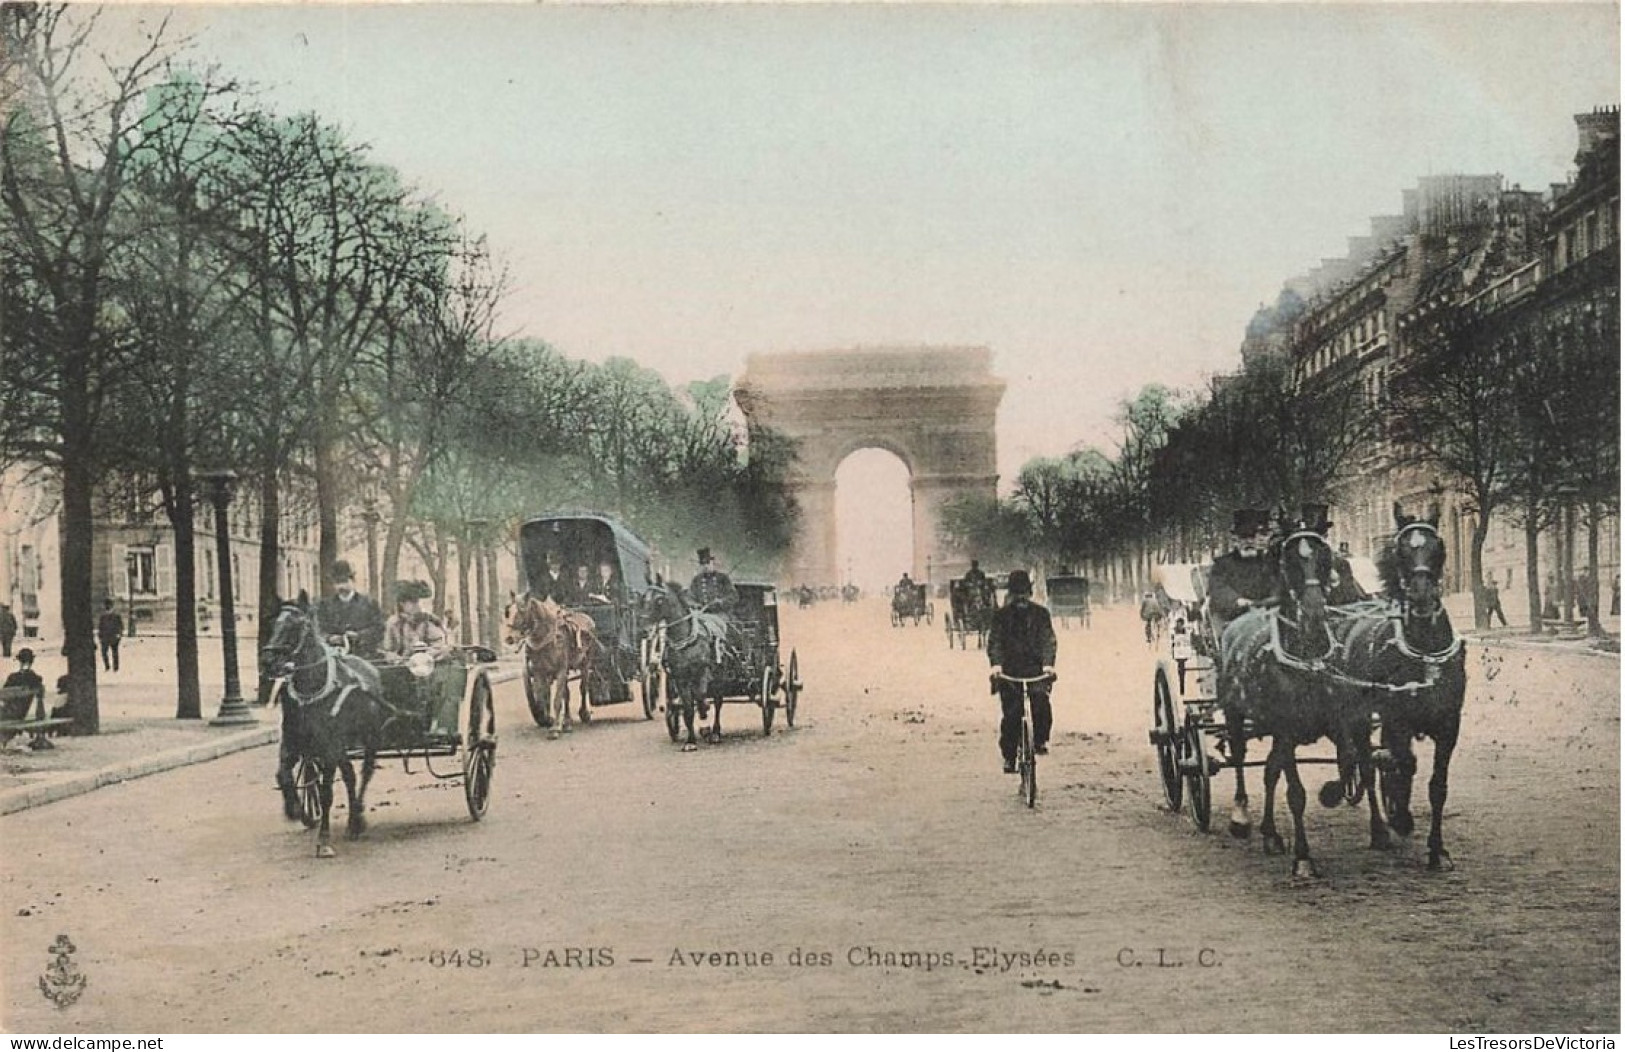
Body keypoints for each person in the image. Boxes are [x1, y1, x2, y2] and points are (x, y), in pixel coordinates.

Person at [987, 570, 1057, 773]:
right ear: (1010, 594)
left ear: (1030, 593)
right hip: (1009, 672)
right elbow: (995, 642)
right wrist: (996, 665)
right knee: (1011, 714)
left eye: (1024, 593)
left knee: (1041, 702)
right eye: (1017, 593)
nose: (1021, 598)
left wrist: (1048, 664)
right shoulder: (1001, 616)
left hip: (1036, 669)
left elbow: (1048, 640)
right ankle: (1009, 756)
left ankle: (1041, 740)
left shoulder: (1041, 614)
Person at [1206, 508, 1282, 651]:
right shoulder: (1222, 564)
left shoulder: (1268, 563)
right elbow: (1218, 589)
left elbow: (1276, 583)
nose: (1248, 542)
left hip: (1266, 614)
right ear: (1235, 540)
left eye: (1252, 537)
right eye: (1243, 537)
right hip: (1232, 616)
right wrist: (1237, 601)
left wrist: (1273, 598)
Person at [1298, 503, 1367, 605]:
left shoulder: (1298, 543)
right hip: (1324, 592)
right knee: (1343, 565)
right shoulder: (1322, 548)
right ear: (1324, 532)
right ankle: (1353, 599)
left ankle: (1356, 597)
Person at [314, 560, 385, 658]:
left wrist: (359, 636)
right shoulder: (325, 606)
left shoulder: (369, 604)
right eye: (337, 583)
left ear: (353, 581)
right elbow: (319, 630)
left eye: (344, 581)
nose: (341, 586)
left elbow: (379, 629)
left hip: (365, 656)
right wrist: (329, 638)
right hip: (334, 656)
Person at [383, 580, 451, 661]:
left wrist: (431, 653)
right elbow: (388, 648)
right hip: (402, 665)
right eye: (413, 602)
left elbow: (438, 643)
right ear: (402, 603)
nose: (418, 606)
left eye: (418, 602)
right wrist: (392, 656)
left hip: (426, 664)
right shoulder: (393, 623)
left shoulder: (427, 621)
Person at [688, 548, 738, 613]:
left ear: (713, 563)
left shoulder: (723, 578)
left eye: (708, 563)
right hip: (702, 613)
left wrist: (721, 601)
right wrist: (695, 604)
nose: (705, 566)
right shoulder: (696, 580)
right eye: (703, 564)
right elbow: (689, 597)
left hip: (721, 613)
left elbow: (733, 596)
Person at [3, 648, 45, 722]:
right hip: (18, 714)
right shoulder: (36, 678)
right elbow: (40, 710)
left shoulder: (13, 677)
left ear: (19, 661)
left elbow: (3, 696)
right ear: (32, 662)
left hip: (8, 713)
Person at [96, 599, 124, 672]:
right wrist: (100, 636)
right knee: (104, 652)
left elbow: (120, 626)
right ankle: (107, 666)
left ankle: (115, 667)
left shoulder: (116, 616)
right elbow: (100, 627)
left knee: (114, 652)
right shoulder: (103, 616)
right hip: (105, 637)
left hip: (113, 636)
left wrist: (119, 634)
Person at [1169, 615, 1195, 694]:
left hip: (1183, 653)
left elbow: (1188, 640)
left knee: (1182, 670)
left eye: (1180, 624)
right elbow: (1172, 642)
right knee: (1181, 670)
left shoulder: (1185, 631)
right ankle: (1181, 687)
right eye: (1178, 624)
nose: (1179, 626)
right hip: (1178, 653)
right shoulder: (1174, 631)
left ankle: (1182, 688)